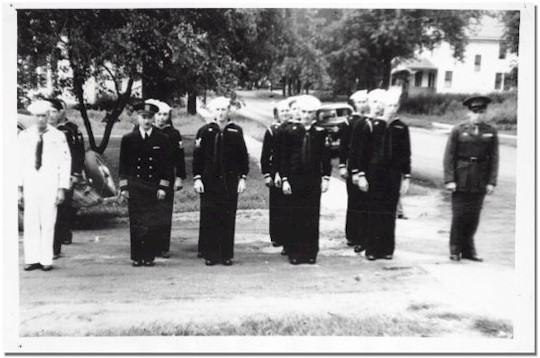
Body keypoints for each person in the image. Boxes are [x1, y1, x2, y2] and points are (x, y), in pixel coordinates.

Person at [351, 88, 411, 261]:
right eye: (389, 105)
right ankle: (372, 248)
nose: (391, 109)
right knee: (374, 211)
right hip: (374, 174)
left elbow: (405, 154)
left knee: (389, 212)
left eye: (395, 105)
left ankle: (386, 249)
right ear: (383, 106)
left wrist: (406, 177)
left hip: (393, 175)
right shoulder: (372, 126)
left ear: (398, 106)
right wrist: (361, 174)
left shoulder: (401, 127)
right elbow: (363, 153)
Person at [193, 96, 249, 266]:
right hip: (209, 181)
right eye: (217, 110)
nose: (220, 113)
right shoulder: (204, 131)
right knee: (210, 216)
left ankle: (226, 254)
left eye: (223, 109)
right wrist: (197, 178)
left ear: (228, 111)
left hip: (229, 181)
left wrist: (242, 178)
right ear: (212, 112)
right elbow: (198, 158)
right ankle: (210, 254)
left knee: (227, 217)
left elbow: (242, 156)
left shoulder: (235, 131)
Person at [443, 96, 498, 262]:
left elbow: (494, 158)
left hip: (480, 179)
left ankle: (468, 250)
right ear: (469, 112)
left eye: (481, 112)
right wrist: (449, 179)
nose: (478, 116)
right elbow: (449, 156)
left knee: (473, 216)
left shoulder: (490, 131)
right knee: (459, 215)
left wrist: (491, 182)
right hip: (461, 177)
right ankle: (455, 249)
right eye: (475, 112)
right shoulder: (458, 130)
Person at [18, 100, 71, 271]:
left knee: (48, 221)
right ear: (33, 117)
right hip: (31, 183)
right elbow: (18, 163)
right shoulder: (24, 136)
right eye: (38, 116)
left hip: (50, 183)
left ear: (49, 116)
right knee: (30, 220)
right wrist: (19, 188)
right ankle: (32, 258)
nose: (41, 119)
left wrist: (61, 188)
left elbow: (65, 162)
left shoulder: (58, 136)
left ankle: (46, 258)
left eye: (44, 116)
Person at [118, 102, 172, 267]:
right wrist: (124, 186)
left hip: (153, 186)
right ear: (138, 117)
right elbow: (123, 165)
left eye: (150, 117)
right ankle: (137, 256)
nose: (147, 121)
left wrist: (163, 187)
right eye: (143, 117)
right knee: (136, 221)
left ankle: (148, 256)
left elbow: (167, 166)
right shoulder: (128, 139)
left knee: (151, 221)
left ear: (154, 117)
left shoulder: (162, 138)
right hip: (135, 186)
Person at [280, 95, 331, 265]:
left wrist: (326, 178)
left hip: (313, 178)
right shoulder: (290, 131)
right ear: (299, 112)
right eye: (304, 111)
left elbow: (325, 157)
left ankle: (310, 253)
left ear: (315, 114)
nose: (307, 115)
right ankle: (295, 252)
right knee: (296, 215)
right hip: (295, 178)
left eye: (311, 112)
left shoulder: (321, 132)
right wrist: (285, 179)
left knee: (311, 215)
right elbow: (284, 157)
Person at [47, 99, 85, 259]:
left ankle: (57, 245)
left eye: (55, 111)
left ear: (62, 111)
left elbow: (78, 153)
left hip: (66, 175)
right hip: (48, 176)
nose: (50, 115)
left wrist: (75, 174)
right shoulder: (44, 130)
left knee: (63, 209)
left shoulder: (71, 130)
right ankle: (56, 240)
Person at [148, 99, 186, 258]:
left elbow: (180, 158)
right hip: (148, 177)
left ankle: (162, 247)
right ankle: (148, 245)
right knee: (149, 211)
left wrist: (179, 177)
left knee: (164, 212)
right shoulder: (145, 130)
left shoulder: (174, 134)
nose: (161, 118)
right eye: (158, 114)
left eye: (165, 114)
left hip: (167, 177)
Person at [339, 90, 370, 251]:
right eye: (359, 102)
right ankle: (352, 234)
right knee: (354, 201)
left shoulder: (370, 121)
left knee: (366, 202)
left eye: (365, 101)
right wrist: (342, 165)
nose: (362, 104)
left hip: (367, 165)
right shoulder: (348, 122)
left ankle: (364, 235)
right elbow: (344, 146)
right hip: (353, 165)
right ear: (354, 104)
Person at [260, 100, 290, 248]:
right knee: (277, 206)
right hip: (275, 173)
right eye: (282, 111)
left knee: (290, 207)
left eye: (287, 111)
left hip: (290, 173)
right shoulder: (272, 130)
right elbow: (266, 155)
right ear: (277, 113)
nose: (285, 114)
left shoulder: (293, 128)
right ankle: (277, 237)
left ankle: (289, 237)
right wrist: (267, 174)